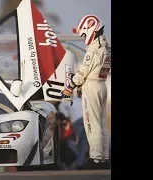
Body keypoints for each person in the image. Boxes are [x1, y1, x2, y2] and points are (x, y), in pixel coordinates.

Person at [60, 14, 111, 170]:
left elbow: (83, 71)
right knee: (102, 125)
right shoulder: (106, 47)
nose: (83, 37)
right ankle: (103, 158)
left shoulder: (93, 49)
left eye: (83, 34)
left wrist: (70, 87)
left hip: (92, 87)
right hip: (102, 86)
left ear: (90, 29)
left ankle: (95, 159)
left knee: (91, 125)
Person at [58, 88, 89, 169]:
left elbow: (64, 115)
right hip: (87, 121)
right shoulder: (78, 100)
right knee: (83, 144)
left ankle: (72, 165)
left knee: (73, 143)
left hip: (76, 122)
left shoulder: (64, 102)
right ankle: (80, 165)